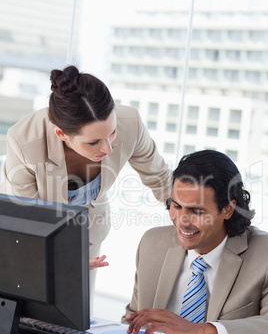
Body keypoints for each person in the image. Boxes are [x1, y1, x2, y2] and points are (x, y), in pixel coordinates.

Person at [0, 65, 172, 296]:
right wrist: (59, 258)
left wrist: (186, 214)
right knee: (29, 312)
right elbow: (25, 218)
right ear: (61, 134)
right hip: (30, 240)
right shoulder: (25, 142)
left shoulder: (130, 123)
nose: (108, 148)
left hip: (88, 235)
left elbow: (161, 178)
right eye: (93, 143)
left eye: (112, 133)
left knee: (77, 316)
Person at [122, 149, 268, 334]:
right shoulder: (152, 243)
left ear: (227, 209)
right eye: (177, 205)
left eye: (197, 211)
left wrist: (200, 332)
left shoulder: (264, 254)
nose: (181, 221)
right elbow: (130, 324)